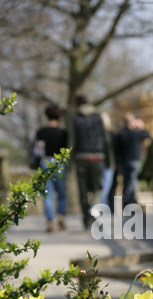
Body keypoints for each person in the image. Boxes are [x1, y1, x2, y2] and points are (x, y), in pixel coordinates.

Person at [72, 95, 111, 229]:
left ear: (77, 104)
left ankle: (86, 217)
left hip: (81, 158)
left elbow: (71, 140)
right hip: (98, 157)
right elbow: (106, 140)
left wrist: (70, 160)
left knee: (82, 190)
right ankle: (94, 209)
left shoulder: (75, 119)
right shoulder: (98, 118)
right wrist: (110, 159)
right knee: (98, 187)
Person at [35, 105, 68, 233]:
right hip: (60, 163)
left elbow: (37, 150)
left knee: (47, 193)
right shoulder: (63, 133)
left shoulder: (41, 132)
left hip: (45, 162)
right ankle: (61, 215)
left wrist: (37, 163)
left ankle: (50, 219)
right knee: (61, 193)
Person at [114, 113, 150, 207]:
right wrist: (140, 127)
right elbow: (147, 134)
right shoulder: (136, 133)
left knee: (127, 182)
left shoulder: (120, 134)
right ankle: (129, 203)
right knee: (132, 183)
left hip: (124, 162)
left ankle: (127, 202)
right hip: (134, 161)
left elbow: (116, 150)